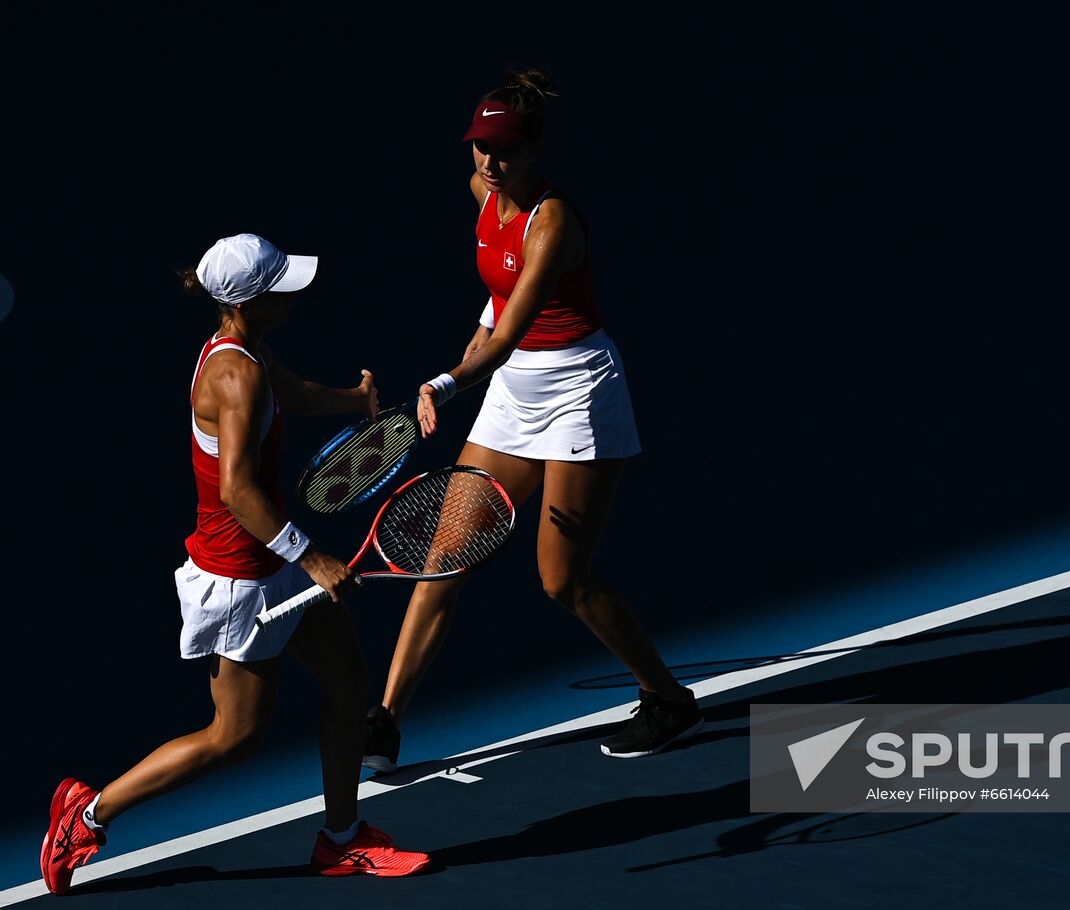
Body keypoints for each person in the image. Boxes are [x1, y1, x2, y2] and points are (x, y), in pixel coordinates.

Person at [40, 234, 430, 895]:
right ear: (252, 301)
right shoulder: (234, 375)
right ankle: (89, 814)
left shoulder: (248, 349)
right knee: (236, 736)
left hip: (267, 560)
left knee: (348, 679)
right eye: (282, 286)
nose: (293, 295)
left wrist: (351, 400)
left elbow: (295, 392)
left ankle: (341, 841)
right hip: (240, 579)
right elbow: (237, 491)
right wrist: (311, 559)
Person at [363, 68, 703, 771]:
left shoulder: (553, 222)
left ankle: (667, 698)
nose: (490, 161)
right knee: (444, 558)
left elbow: (517, 326)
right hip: (513, 390)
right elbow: (496, 304)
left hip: (579, 390)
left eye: (504, 150)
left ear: (535, 150)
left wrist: (446, 380)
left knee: (562, 581)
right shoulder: (479, 195)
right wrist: (472, 342)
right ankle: (385, 721)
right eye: (480, 147)